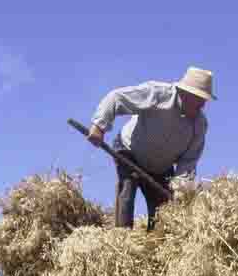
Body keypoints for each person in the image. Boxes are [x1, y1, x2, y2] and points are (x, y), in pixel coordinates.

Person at [87, 66, 215, 229]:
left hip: (161, 168)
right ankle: (122, 237)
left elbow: (188, 162)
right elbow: (117, 98)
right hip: (130, 151)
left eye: (205, 100)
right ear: (186, 93)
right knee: (127, 190)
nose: (203, 105)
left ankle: (154, 245)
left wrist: (181, 190)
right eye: (200, 99)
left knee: (163, 213)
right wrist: (99, 126)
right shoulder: (158, 94)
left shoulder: (199, 125)